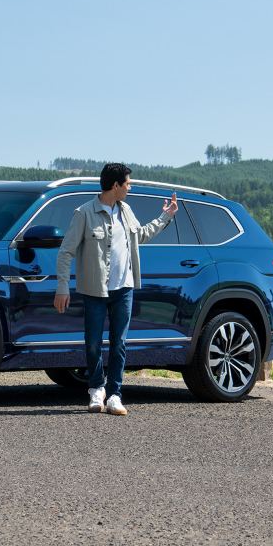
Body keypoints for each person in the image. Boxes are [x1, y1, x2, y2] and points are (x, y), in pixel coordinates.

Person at [53, 163, 178, 415]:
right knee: (93, 343)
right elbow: (66, 251)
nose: (129, 188)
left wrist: (166, 216)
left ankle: (115, 395)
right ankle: (96, 390)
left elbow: (140, 235)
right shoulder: (84, 213)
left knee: (119, 343)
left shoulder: (126, 211)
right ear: (115, 185)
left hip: (124, 289)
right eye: (128, 184)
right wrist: (62, 287)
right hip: (94, 290)